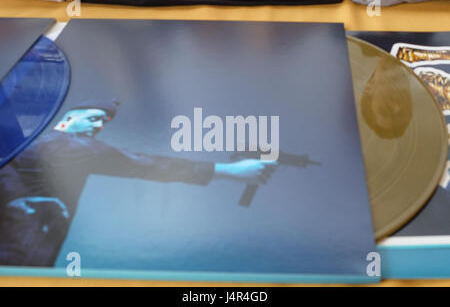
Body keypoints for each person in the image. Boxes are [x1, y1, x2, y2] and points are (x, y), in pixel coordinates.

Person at [0, 98, 276, 267]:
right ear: (67, 120)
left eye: (103, 122)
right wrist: (230, 171)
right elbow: (142, 163)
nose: (98, 126)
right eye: (94, 118)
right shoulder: (70, 145)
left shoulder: (35, 144)